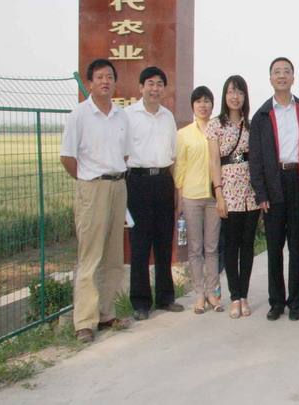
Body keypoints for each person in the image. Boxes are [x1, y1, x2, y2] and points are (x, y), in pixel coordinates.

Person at [60, 59, 131, 343]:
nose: (105, 81)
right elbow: (67, 157)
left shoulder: (121, 115)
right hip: (92, 188)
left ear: (115, 82)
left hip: (118, 186)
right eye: (100, 77)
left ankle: (106, 313)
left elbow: (125, 154)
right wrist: (87, 180)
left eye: (109, 77)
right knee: (90, 256)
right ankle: (85, 322)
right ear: (90, 82)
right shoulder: (79, 114)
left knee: (113, 256)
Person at [249, 57, 299, 322]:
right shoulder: (262, 115)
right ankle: (276, 301)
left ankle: (296, 300)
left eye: (287, 71)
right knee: (274, 247)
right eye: (277, 72)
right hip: (274, 184)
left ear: (293, 78)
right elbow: (256, 159)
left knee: (298, 246)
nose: (282, 75)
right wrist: (261, 193)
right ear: (271, 79)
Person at [125, 66, 183, 320]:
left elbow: (173, 155)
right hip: (137, 182)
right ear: (141, 87)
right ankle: (140, 303)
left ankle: (165, 298)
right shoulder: (128, 116)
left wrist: (174, 188)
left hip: (163, 181)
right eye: (150, 83)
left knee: (163, 242)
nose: (155, 88)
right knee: (139, 244)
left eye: (160, 84)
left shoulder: (167, 116)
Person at [207, 76, 260, 319]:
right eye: (230, 92)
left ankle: (244, 295)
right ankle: (234, 296)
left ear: (245, 96)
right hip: (228, 190)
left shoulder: (251, 125)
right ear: (224, 96)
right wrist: (218, 194)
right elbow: (214, 162)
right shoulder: (216, 125)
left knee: (247, 246)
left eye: (239, 92)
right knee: (231, 245)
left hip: (250, 191)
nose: (235, 96)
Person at [175, 86, 223, 314]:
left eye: (206, 101)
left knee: (212, 248)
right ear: (192, 106)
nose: (203, 105)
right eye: (198, 101)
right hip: (191, 197)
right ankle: (199, 294)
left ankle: (213, 293)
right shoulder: (183, 134)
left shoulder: (219, 129)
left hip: (214, 197)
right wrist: (180, 198)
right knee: (195, 249)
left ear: (212, 105)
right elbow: (181, 167)